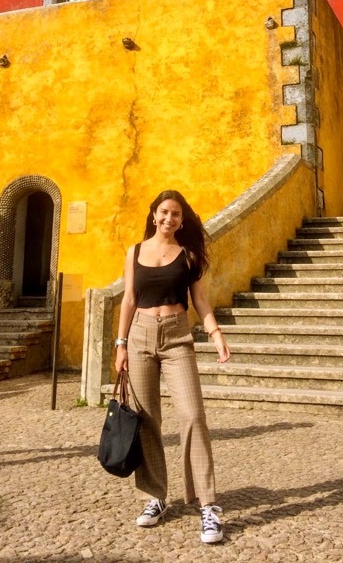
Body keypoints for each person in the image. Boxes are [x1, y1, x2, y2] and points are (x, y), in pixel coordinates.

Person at [115, 189, 230, 544]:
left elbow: (200, 300)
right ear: (154, 215)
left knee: (193, 415)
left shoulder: (189, 256)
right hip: (139, 337)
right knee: (147, 418)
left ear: (182, 220)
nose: (169, 219)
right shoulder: (134, 252)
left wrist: (215, 333)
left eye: (176, 214)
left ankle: (208, 504)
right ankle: (156, 497)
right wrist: (120, 345)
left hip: (178, 337)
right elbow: (129, 300)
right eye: (164, 212)